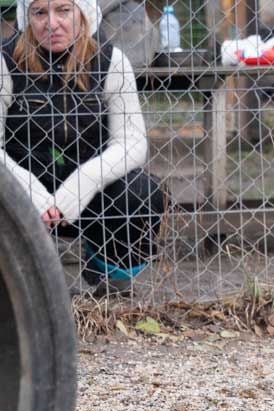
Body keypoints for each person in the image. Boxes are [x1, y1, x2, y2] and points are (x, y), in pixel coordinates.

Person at [0, 0, 163, 295]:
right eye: (39, 12)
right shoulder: (4, 62)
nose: (51, 23)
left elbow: (132, 141)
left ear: (84, 13)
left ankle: (109, 273)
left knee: (140, 190)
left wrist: (83, 183)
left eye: (63, 10)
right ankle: (22, 286)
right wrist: (31, 192)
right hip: (23, 188)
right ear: (27, 16)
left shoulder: (111, 61)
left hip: (92, 195)